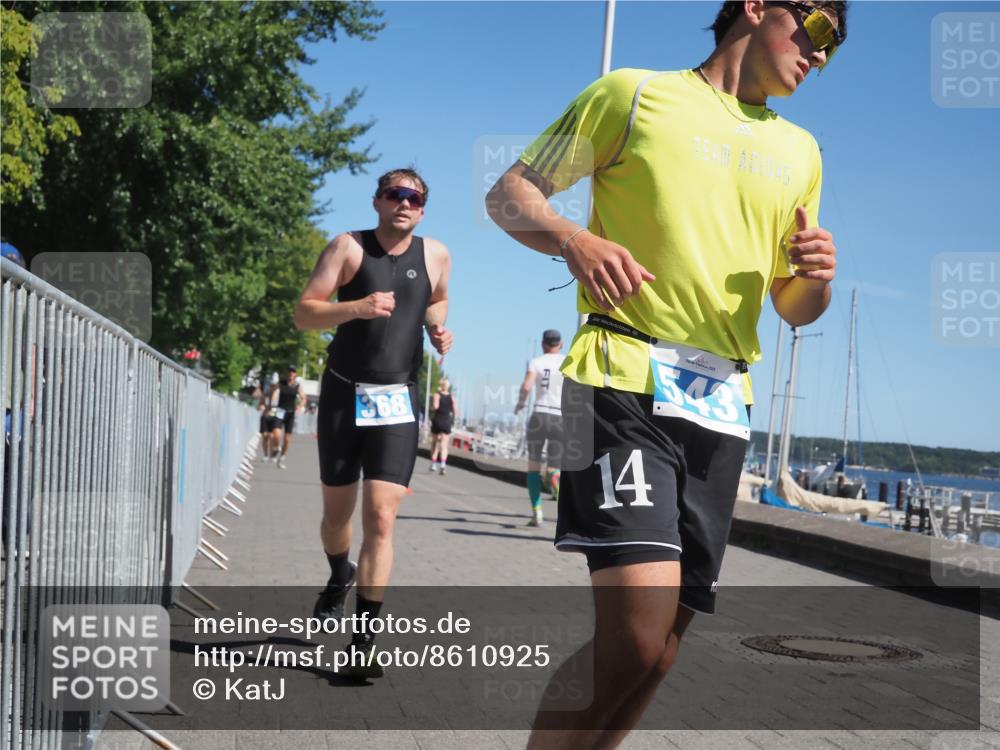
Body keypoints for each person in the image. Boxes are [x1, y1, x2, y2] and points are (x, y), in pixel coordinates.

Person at [486, 1, 845, 744]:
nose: (818, 56)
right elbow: (510, 194)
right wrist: (573, 239)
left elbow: (795, 308)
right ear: (755, 8)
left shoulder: (802, 151)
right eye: (814, 30)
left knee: (658, 658)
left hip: (722, 405)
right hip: (622, 377)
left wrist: (818, 279)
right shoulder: (634, 95)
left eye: (832, 50)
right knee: (637, 640)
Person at [293, 167, 453, 676]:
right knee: (337, 517)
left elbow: (438, 297)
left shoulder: (437, 254)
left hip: (397, 400)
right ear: (378, 201)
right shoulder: (347, 248)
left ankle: (362, 645)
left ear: (423, 209)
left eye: (414, 197)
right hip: (343, 393)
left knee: (381, 517)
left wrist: (436, 327)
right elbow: (304, 313)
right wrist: (357, 307)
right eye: (394, 194)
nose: (404, 203)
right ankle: (339, 573)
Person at [515, 330, 566, 526]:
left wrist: (520, 403)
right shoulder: (567, 362)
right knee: (554, 470)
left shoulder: (536, 362)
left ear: (544, 344)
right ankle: (566, 509)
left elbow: (527, 386)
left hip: (539, 415)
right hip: (559, 417)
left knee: (533, 468)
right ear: (560, 344)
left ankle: (537, 512)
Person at [267, 365, 306, 469]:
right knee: (276, 434)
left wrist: (300, 406)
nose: (291, 373)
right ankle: (277, 447)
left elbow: (303, 398)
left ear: (295, 374)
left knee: (287, 439)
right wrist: (270, 405)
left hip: (290, 413)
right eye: (289, 371)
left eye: (293, 372)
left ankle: (282, 457)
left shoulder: (298, 386)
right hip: (280, 410)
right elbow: (272, 391)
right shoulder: (281, 383)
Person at [428, 378, 457, 475]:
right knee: (444, 445)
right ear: (448, 386)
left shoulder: (437, 395)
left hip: (437, 420)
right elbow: (455, 410)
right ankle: (443, 465)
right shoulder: (452, 397)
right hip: (446, 422)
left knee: (434, 443)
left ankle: (433, 464)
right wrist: (452, 420)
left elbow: (435, 407)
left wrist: (431, 407)